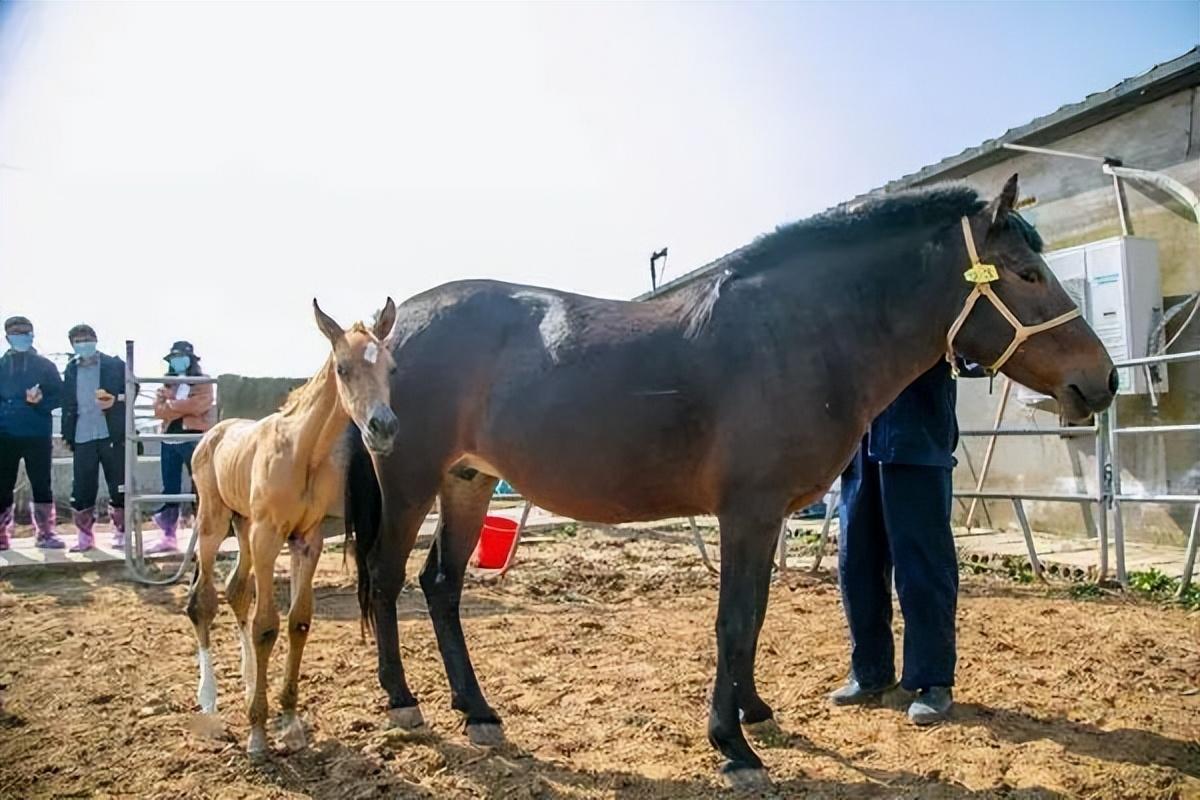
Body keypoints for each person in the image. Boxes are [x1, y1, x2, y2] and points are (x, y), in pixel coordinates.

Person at [830, 359, 970, 725]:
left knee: (922, 563)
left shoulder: (938, 300)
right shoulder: (855, 304)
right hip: (859, 442)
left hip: (917, 436)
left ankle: (932, 681)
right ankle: (870, 672)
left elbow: (973, 349)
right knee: (856, 561)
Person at [0, 316, 65, 550]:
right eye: (16, 333)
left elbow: (59, 395)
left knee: (41, 484)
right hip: (4, 435)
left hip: (37, 433)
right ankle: (1, 534)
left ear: (33, 335)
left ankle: (46, 532)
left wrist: (40, 402)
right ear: (7, 337)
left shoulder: (45, 366)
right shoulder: (1, 366)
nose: (22, 336)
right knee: (2, 485)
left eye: (26, 332)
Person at [61, 324, 126, 552]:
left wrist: (115, 400)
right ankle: (85, 536)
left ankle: (121, 531)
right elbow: (67, 402)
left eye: (87, 338)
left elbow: (132, 389)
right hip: (82, 435)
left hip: (111, 434)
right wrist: (66, 432)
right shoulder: (71, 369)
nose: (84, 343)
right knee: (82, 488)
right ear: (72, 345)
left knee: (119, 484)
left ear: (96, 340)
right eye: (78, 340)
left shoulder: (114, 365)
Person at [150, 341, 214, 553]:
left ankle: (204, 533)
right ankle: (169, 535)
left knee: (199, 485)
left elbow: (199, 406)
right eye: (174, 358)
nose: (177, 362)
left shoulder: (202, 381)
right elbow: (158, 410)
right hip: (169, 438)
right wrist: (179, 408)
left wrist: (171, 406)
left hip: (193, 437)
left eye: (181, 357)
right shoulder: (166, 384)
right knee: (170, 488)